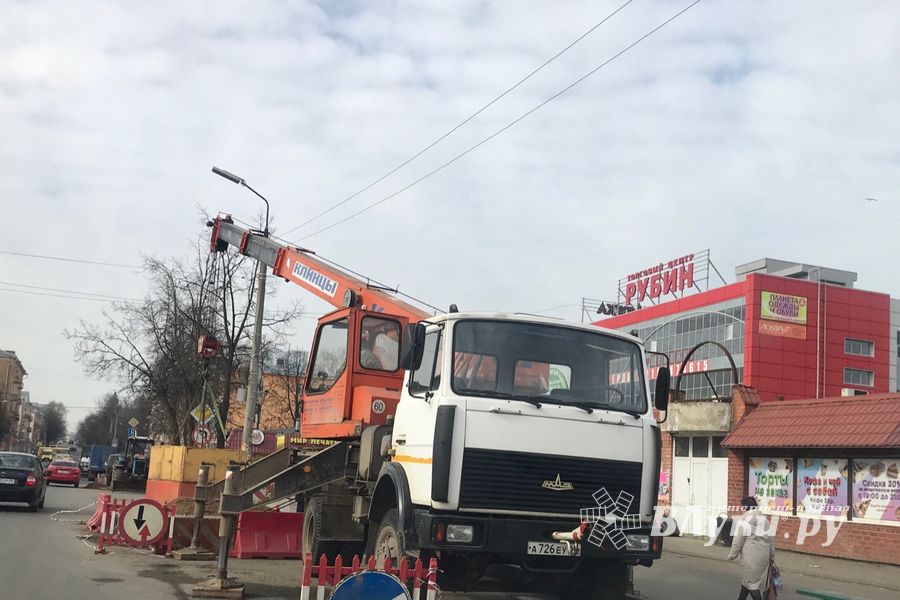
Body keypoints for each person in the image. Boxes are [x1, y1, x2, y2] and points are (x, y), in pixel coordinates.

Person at [727, 496, 775, 600]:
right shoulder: (765, 521)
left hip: (751, 557)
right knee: (748, 582)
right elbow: (771, 539)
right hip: (764, 556)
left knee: (751, 584)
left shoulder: (743, 521)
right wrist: (772, 555)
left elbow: (737, 541)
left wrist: (732, 555)